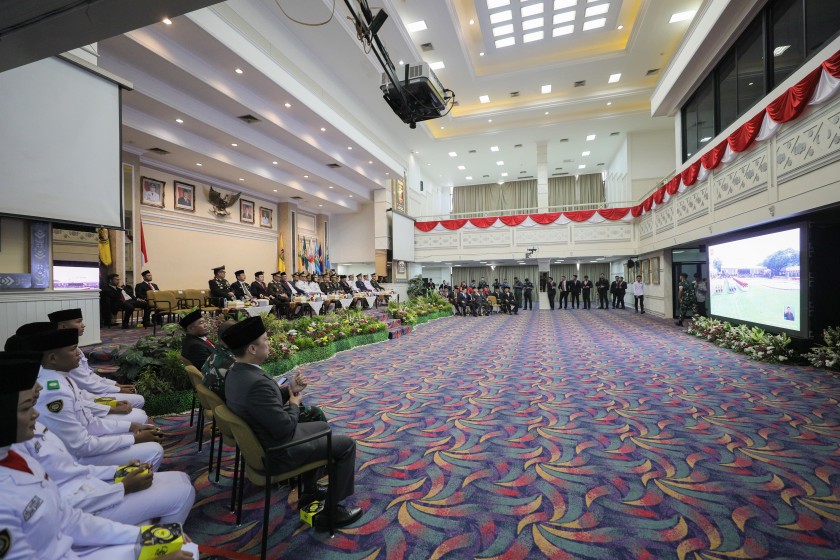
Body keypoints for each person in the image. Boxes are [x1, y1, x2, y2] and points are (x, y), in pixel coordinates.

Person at [0, 353, 196, 560]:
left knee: (174, 522)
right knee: (181, 494)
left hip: (80, 513)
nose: (35, 414)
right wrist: (121, 488)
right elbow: (79, 451)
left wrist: (147, 538)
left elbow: (68, 517)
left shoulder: (15, 453)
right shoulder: (7, 486)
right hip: (82, 515)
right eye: (26, 408)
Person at [222, 317, 363, 527]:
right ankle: (331, 513)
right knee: (346, 445)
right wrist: (294, 403)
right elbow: (285, 429)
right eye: (265, 340)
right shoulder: (256, 382)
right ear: (252, 348)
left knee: (323, 427)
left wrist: (289, 390)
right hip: (278, 451)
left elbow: (261, 404)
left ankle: (309, 491)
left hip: (261, 443)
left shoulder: (236, 372)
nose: (269, 343)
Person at [24, 328, 164, 469]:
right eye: (73, 349)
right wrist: (133, 438)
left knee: (142, 426)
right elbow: (80, 446)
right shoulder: (54, 392)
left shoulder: (63, 378)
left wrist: (130, 426)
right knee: (154, 450)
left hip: (86, 441)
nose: (79, 353)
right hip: (77, 460)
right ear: (53, 358)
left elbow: (89, 420)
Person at [48, 308, 145, 409]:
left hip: (89, 396)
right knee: (138, 400)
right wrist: (116, 394)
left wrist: (116, 385)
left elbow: (89, 375)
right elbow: (88, 385)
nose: (83, 325)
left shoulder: (76, 349)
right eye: (78, 321)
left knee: (136, 404)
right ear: (63, 326)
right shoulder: (64, 354)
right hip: (90, 396)